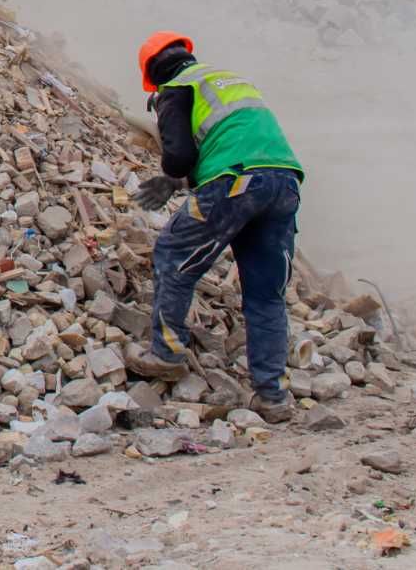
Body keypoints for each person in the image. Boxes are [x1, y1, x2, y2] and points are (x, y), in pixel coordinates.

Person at [125, 31, 305, 423]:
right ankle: (272, 396)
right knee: (266, 293)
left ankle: (166, 354)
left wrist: (170, 177)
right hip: (285, 183)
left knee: (174, 253)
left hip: (236, 182)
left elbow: (178, 157)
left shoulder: (176, 88)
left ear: (152, 75)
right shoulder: (226, 79)